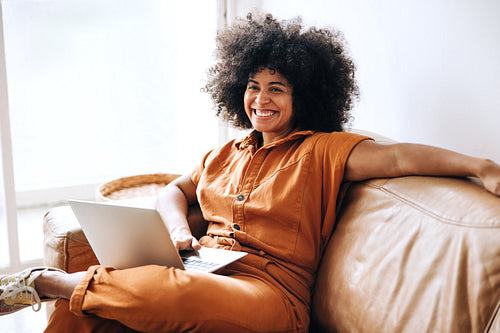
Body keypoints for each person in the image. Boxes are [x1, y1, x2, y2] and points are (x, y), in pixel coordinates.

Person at [1, 12, 500, 333]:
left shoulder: (322, 151)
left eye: (277, 88)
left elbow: (399, 158)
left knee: (162, 289)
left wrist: (481, 166)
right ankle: (64, 293)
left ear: (302, 97)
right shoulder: (226, 152)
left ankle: (47, 281)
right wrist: (179, 233)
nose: (261, 99)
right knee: (86, 313)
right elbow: (176, 190)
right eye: (253, 85)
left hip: (272, 294)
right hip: (205, 265)